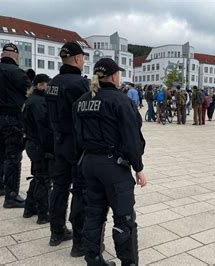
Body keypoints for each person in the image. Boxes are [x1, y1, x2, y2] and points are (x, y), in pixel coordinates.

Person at [73, 58, 147, 266]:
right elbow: (132, 139)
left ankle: (93, 259)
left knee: (94, 213)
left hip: (88, 163)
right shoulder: (121, 101)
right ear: (114, 76)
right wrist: (138, 167)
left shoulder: (81, 101)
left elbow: (77, 135)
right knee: (124, 218)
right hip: (113, 166)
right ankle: (128, 263)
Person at [45, 41, 88, 253]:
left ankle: (56, 231)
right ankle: (79, 242)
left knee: (59, 187)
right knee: (79, 190)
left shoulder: (53, 82)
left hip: (58, 141)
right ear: (78, 59)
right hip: (76, 144)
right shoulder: (80, 84)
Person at [0, 43, 31, 207]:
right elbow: (29, 90)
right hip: (12, 118)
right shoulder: (16, 72)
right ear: (15, 55)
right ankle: (11, 195)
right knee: (13, 157)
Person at [22, 74, 53, 224]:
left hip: (32, 143)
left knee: (38, 176)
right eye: (48, 85)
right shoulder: (39, 103)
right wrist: (50, 148)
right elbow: (44, 129)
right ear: (41, 85)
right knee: (43, 179)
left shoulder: (30, 100)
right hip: (39, 145)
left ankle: (29, 207)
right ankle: (43, 213)